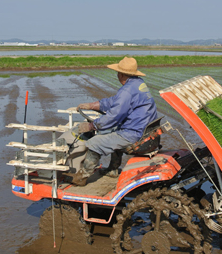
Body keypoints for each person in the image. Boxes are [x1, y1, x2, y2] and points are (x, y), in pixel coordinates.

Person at [64, 57, 158, 186]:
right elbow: (115, 102)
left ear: (121, 74)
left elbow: (114, 116)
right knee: (113, 131)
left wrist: (91, 126)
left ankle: (81, 177)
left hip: (135, 134)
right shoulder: (137, 84)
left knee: (94, 143)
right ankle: (112, 169)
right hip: (145, 131)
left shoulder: (127, 90)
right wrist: (92, 105)